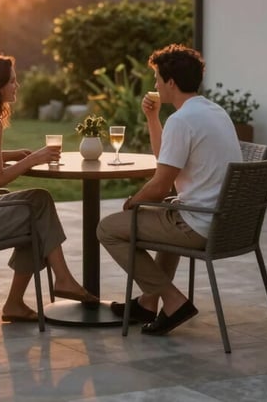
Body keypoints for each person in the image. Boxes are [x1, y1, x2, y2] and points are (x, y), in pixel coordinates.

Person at [0, 52, 98, 323]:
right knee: (38, 203)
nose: (17, 86)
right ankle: (60, 280)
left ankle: (20, 301)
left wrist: (11, 154)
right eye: (12, 81)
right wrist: (34, 160)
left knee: (35, 212)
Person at [96, 44, 242, 336]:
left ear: (170, 82)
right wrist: (153, 119)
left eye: (157, 79)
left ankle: (174, 301)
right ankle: (148, 303)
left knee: (108, 229)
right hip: (227, 222)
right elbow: (167, 156)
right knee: (170, 210)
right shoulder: (213, 111)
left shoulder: (182, 120)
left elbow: (160, 186)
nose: (155, 85)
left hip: (199, 224)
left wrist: (132, 202)